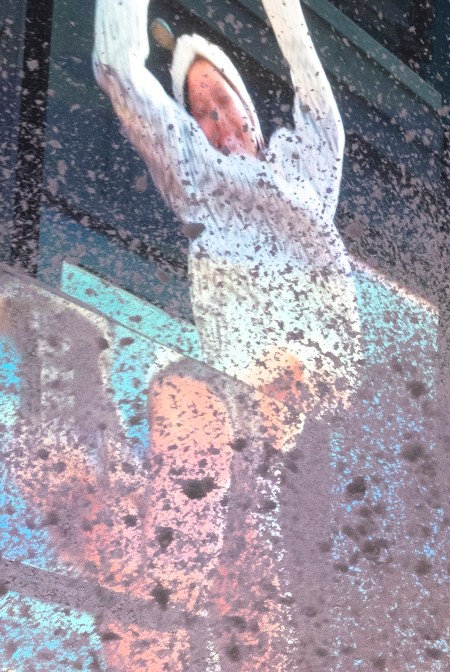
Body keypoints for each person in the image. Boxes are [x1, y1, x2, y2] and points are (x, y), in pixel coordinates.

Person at [94, 0, 361, 448]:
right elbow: (116, 68)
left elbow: (324, 116)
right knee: (180, 398)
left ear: (251, 115)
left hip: (320, 402)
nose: (219, 121)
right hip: (243, 403)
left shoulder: (303, 175)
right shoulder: (193, 171)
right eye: (202, 113)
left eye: (223, 103)